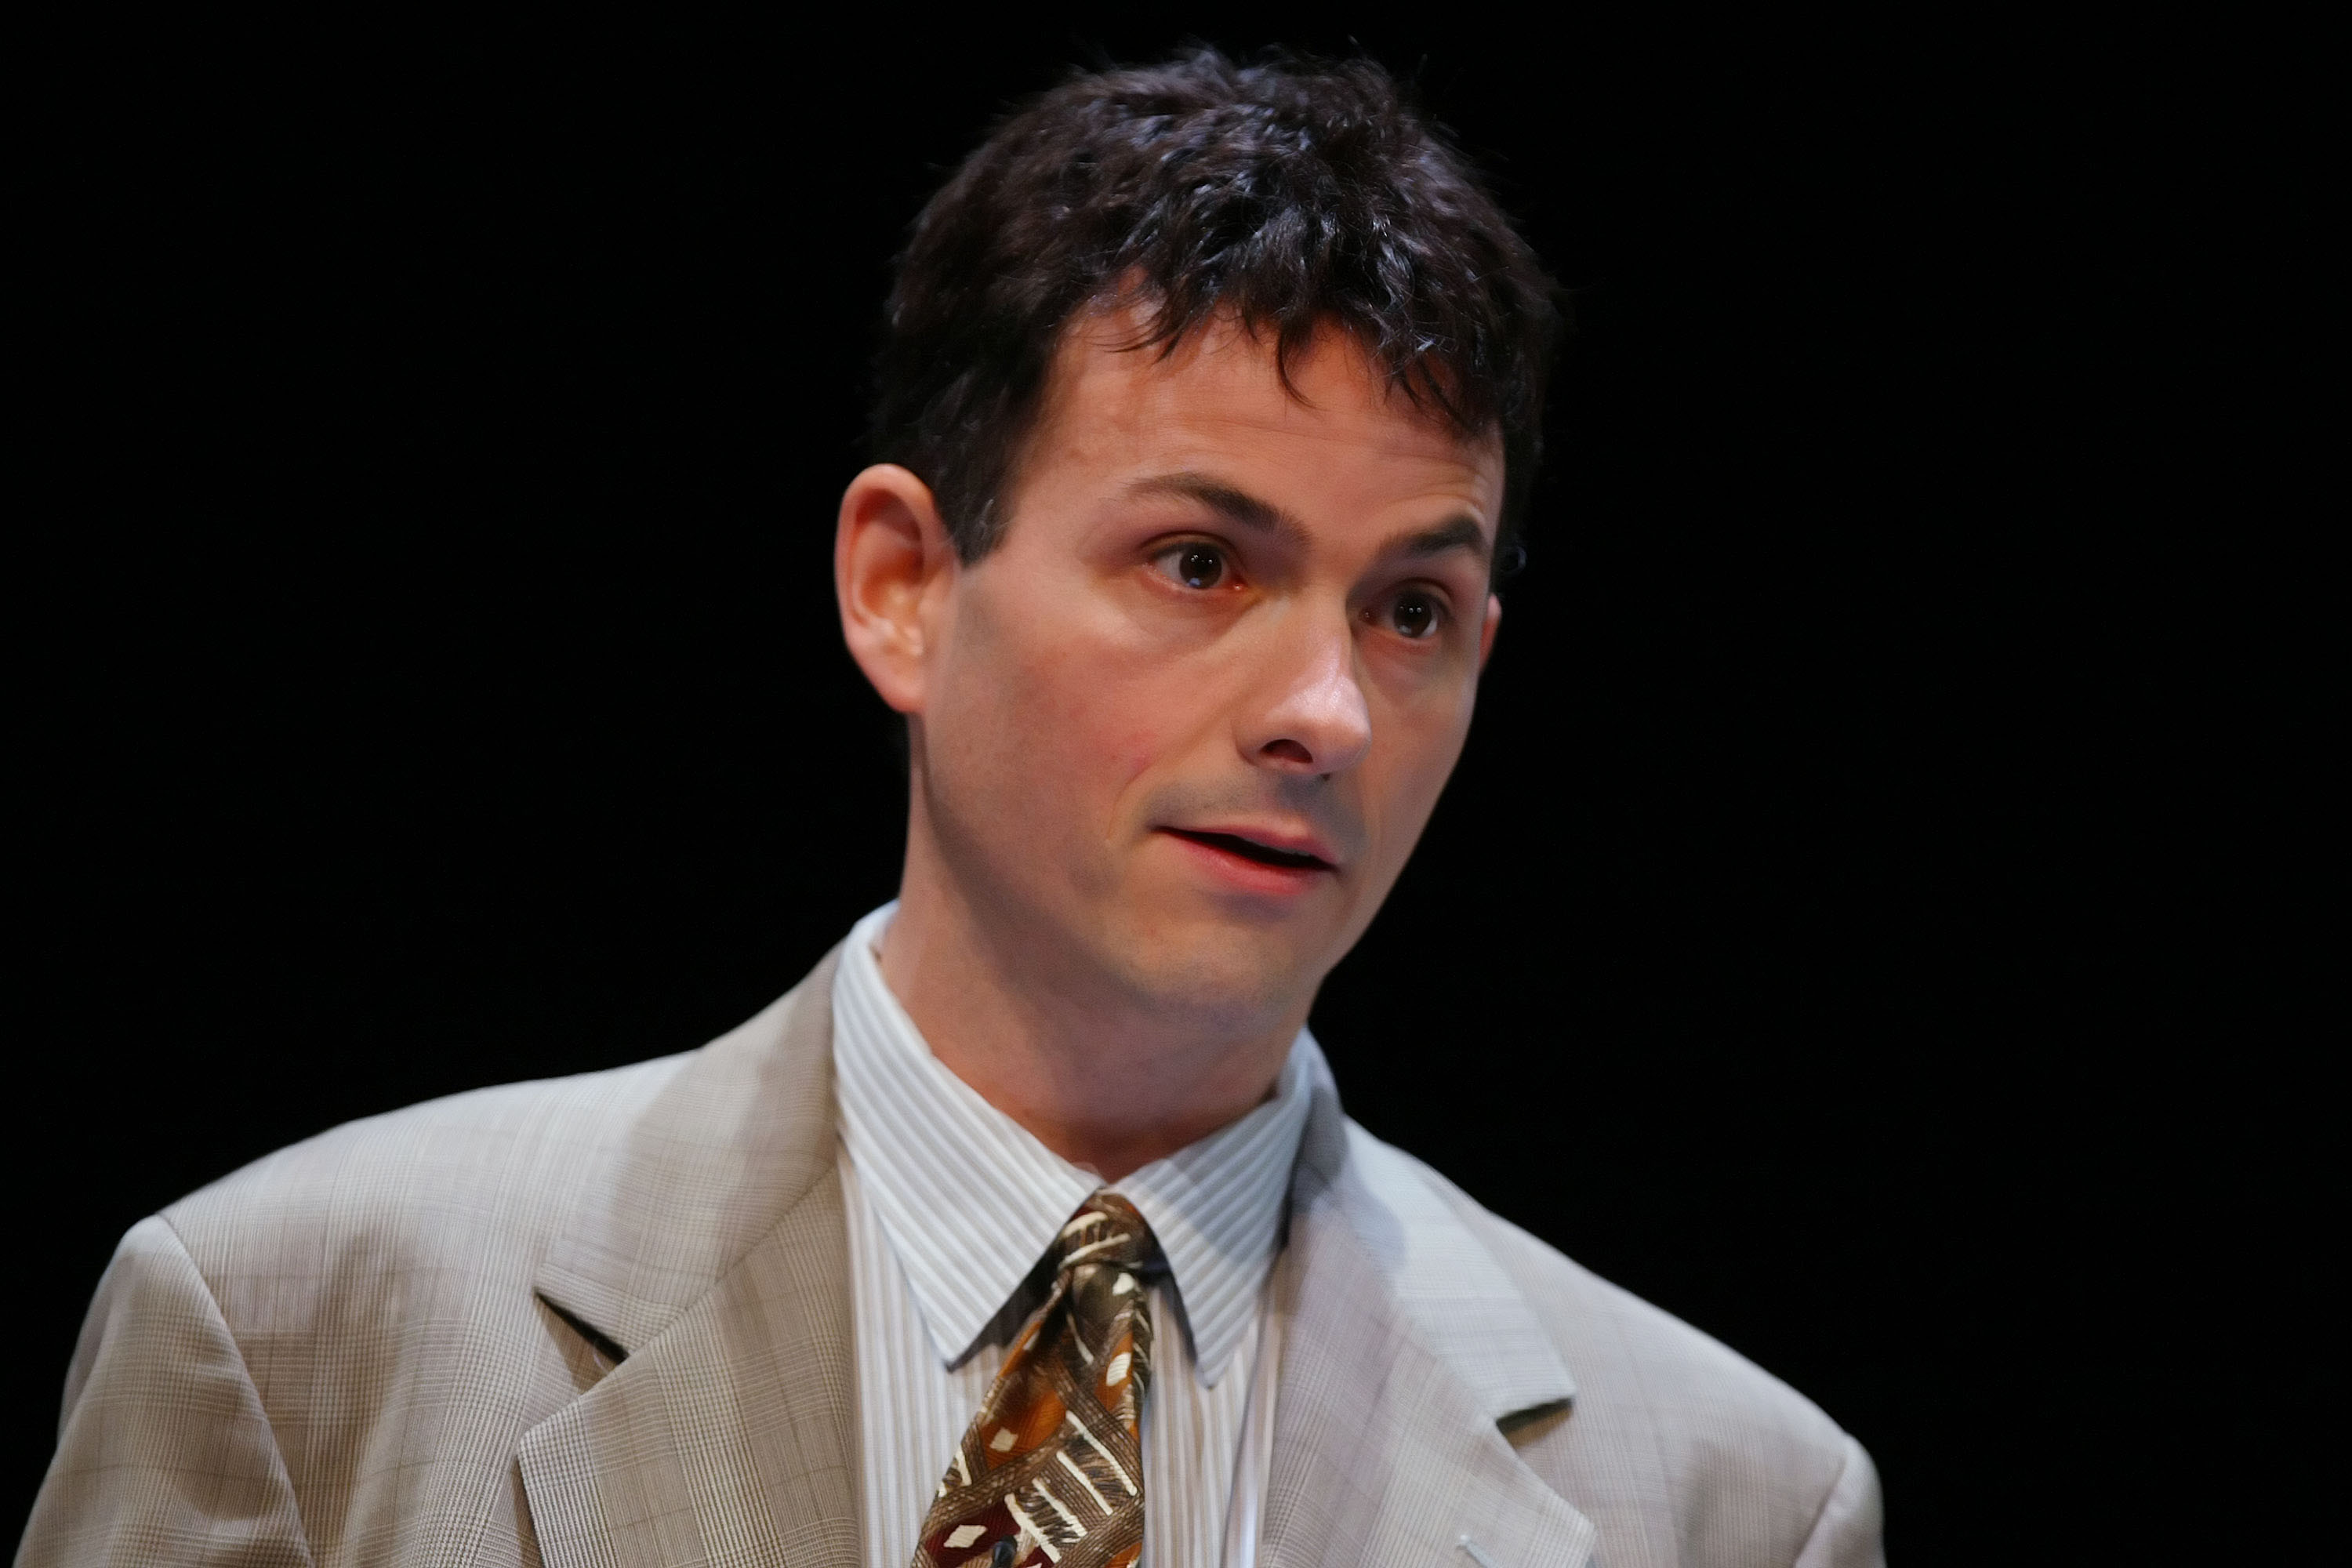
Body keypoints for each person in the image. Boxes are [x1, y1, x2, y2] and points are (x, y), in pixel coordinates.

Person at [21, 51, 1883, 1568]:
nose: (1325, 712)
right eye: (1199, 563)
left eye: (1411, 610)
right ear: (903, 585)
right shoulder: (300, 1334)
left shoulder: (1731, 1505)